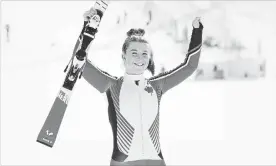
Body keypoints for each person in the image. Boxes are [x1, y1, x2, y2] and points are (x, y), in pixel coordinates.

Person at [75, 8, 203, 166]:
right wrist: (87, 27)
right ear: (124, 56)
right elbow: (79, 62)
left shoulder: (158, 86)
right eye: (134, 53)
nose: (140, 58)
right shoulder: (111, 85)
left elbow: (189, 67)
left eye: (145, 54)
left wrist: (197, 31)